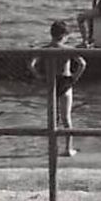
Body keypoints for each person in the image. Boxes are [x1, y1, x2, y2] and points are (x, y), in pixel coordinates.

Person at [30, 21, 88, 157]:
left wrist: (38, 76)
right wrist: (74, 78)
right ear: (64, 35)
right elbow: (82, 63)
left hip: (51, 81)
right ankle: (68, 148)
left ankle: (53, 148)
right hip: (65, 81)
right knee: (66, 118)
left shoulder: (46, 49)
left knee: (53, 119)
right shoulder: (67, 49)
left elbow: (31, 64)